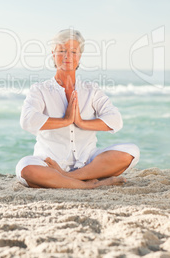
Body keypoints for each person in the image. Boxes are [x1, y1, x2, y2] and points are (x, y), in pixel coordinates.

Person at [16, 29, 140, 189]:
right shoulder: (40, 90)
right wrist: (65, 121)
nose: (67, 56)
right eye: (61, 51)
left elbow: (115, 120)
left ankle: (66, 177)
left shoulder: (91, 90)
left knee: (131, 152)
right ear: (53, 54)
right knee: (25, 168)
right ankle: (89, 185)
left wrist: (81, 122)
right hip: (49, 162)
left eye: (73, 51)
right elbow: (27, 121)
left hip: (88, 161)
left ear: (79, 56)